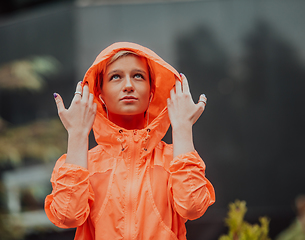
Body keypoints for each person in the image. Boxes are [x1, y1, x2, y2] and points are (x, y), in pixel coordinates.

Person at [44, 42, 215, 240]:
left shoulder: (174, 159)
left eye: (138, 76)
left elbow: (193, 208)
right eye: (116, 77)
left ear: (151, 94)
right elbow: (67, 217)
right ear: (100, 96)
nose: (128, 86)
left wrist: (183, 128)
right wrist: (77, 135)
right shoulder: (82, 163)